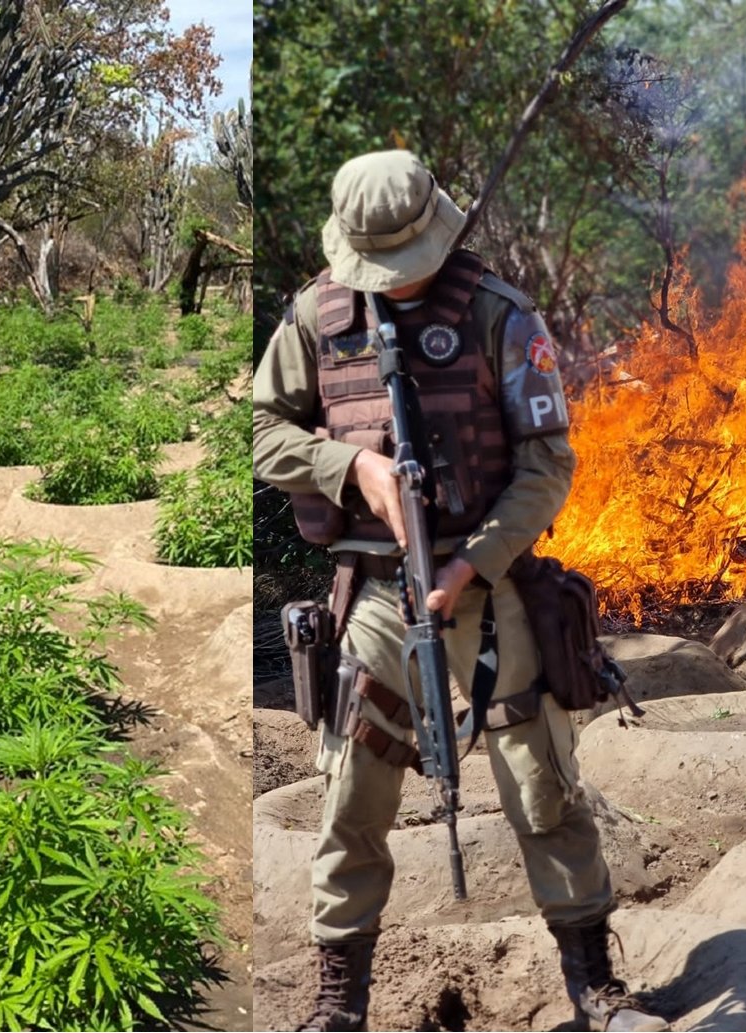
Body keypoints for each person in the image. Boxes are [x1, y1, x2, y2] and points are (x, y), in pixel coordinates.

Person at [252, 150, 668, 1033]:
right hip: (372, 591)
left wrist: (469, 564)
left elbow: (548, 462)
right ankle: (338, 1002)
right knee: (351, 792)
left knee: (542, 786)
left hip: (491, 581)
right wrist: (348, 465)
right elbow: (264, 433)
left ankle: (594, 984)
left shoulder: (498, 314)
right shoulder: (314, 317)